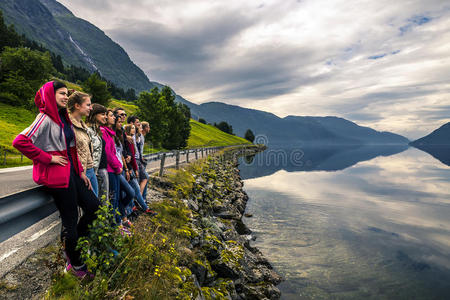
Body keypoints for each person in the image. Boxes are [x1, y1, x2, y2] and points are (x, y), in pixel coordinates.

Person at [13, 81, 99, 278]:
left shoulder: (62, 118)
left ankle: (72, 247)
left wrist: (81, 172)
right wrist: (48, 158)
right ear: (50, 95)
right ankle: (76, 266)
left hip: (72, 173)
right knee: (70, 223)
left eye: (66, 94)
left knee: (94, 206)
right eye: (61, 93)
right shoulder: (44, 118)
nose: (65, 97)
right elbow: (20, 141)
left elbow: (71, 149)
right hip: (57, 176)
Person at [68, 91, 98, 197]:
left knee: (96, 206)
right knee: (93, 207)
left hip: (90, 169)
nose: (91, 108)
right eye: (88, 105)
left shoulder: (83, 125)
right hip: (81, 172)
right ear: (77, 105)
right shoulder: (68, 125)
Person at [124, 124, 157, 216]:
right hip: (130, 167)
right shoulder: (129, 140)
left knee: (132, 190)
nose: (135, 129)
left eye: (135, 128)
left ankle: (135, 207)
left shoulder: (132, 139)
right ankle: (142, 207)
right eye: (133, 128)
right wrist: (133, 168)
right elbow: (131, 156)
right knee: (134, 189)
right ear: (128, 130)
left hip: (130, 166)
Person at [86, 103, 108, 202]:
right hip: (87, 172)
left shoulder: (97, 131)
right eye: (103, 114)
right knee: (92, 203)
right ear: (94, 114)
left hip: (95, 172)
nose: (106, 117)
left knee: (99, 201)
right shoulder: (88, 131)